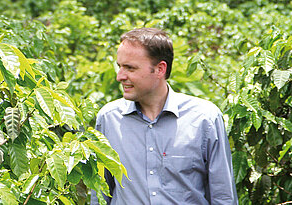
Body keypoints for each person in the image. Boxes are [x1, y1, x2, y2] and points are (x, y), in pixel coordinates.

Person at [90, 28, 238, 204]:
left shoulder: (204, 119)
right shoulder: (109, 119)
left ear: (160, 69)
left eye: (130, 68)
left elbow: (223, 197)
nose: (120, 76)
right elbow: (100, 194)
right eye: (120, 66)